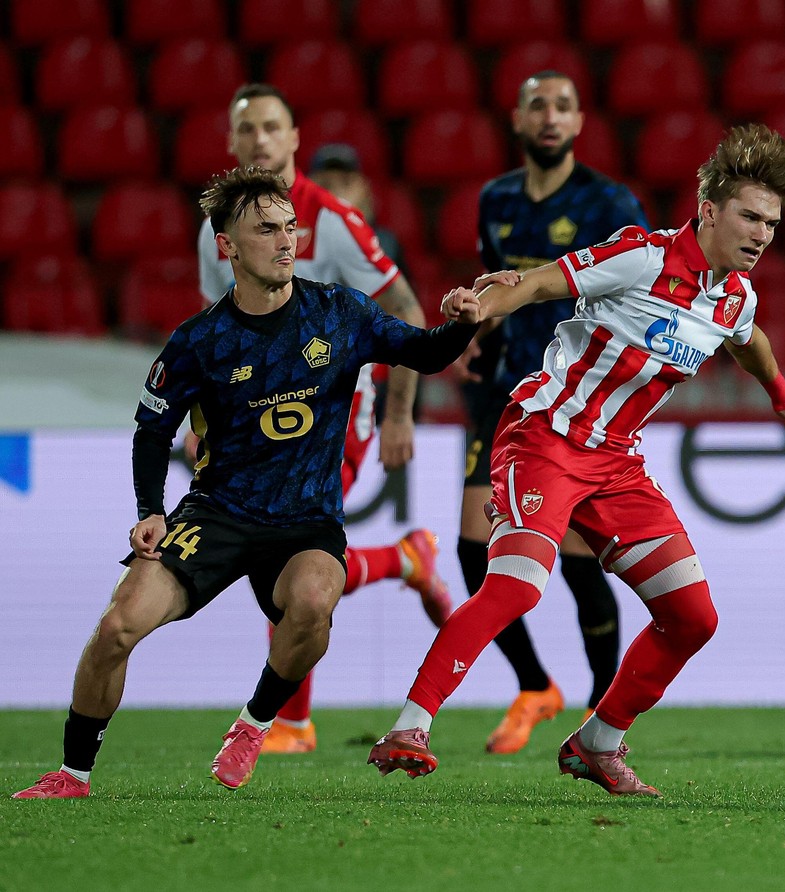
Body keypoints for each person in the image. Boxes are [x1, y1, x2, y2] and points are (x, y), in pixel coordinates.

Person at [367, 124, 785, 796]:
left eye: (772, 223)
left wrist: (777, 387)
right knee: (517, 584)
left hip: (617, 466)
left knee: (693, 617)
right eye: (750, 217)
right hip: (545, 435)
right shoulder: (641, 257)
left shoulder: (734, 298)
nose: (762, 234)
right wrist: (473, 309)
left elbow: (747, 341)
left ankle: (596, 743)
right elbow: (536, 285)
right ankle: (410, 728)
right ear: (709, 211)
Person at [13, 167, 481, 798]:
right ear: (227, 246)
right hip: (218, 512)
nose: (286, 241)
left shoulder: (339, 312)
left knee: (314, 604)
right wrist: (150, 508)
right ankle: (72, 774)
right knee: (118, 626)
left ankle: (255, 724)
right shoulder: (200, 341)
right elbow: (153, 430)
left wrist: (462, 323)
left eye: (291, 227)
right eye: (266, 229)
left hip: (306, 520)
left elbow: (424, 352)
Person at [198, 84, 453, 755]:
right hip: (257, 419)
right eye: (247, 128)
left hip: (340, 410)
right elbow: (214, 337)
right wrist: (207, 422)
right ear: (231, 142)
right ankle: (404, 559)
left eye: (271, 127)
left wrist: (400, 414)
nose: (259, 139)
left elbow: (405, 307)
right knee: (278, 557)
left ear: (293, 139)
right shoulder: (215, 231)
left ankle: (291, 722)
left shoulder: (332, 221)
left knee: (288, 548)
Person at [460, 71, 649, 755]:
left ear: (579, 122)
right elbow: (496, 286)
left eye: (562, 106)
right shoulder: (496, 199)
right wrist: (475, 335)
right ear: (517, 119)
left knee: (575, 562)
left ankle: (602, 711)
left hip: (576, 400)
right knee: (473, 548)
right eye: (537, 105)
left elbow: (638, 292)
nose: (549, 117)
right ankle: (536, 686)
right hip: (507, 394)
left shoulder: (609, 202)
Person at [307, 142, 409, 275]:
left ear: (364, 190)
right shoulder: (293, 245)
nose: (335, 193)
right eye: (326, 184)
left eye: (345, 183)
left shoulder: (385, 245)